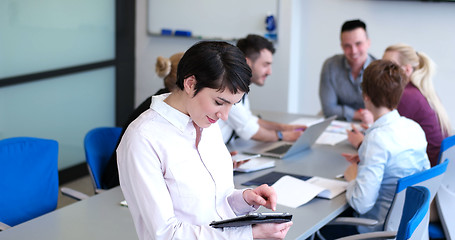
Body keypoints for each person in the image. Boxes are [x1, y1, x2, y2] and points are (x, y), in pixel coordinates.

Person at [117, 41, 293, 239]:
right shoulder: (143, 139)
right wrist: (248, 233)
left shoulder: (206, 122)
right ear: (190, 84)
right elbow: (166, 234)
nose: (224, 116)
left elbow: (214, 204)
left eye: (232, 106)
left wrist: (244, 200)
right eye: (219, 102)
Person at [336, 60, 430, 237]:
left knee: (319, 231)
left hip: (376, 231)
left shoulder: (376, 140)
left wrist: (353, 177)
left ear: (365, 95)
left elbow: (361, 203)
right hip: (407, 227)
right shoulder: (414, 128)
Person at [348, 44, 451, 166]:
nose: (383, 71)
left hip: (420, 169)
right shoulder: (419, 90)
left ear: (407, 70)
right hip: (432, 169)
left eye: (390, 67)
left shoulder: (406, 95)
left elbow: (391, 145)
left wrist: (361, 143)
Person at [101, 52, 184, 189]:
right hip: (121, 186)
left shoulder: (165, 102)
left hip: (142, 181)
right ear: (188, 83)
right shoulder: (156, 113)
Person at [218, 34, 306, 144]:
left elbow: (250, 119)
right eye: (265, 65)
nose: (270, 72)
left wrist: (285, 128)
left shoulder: (242, 88)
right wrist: (283, 135)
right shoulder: (229, 89)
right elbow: (249, 129)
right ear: (247, 62)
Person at [319, 19, 375, 123]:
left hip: (369, 124)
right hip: (337, 122)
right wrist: (357, 115)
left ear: (368, 43)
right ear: (341, 46)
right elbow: (328, 109)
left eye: (358, 44)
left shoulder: (379, 70)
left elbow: (383, 111)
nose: (354, 51)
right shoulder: (330, 66)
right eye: (347, 46)